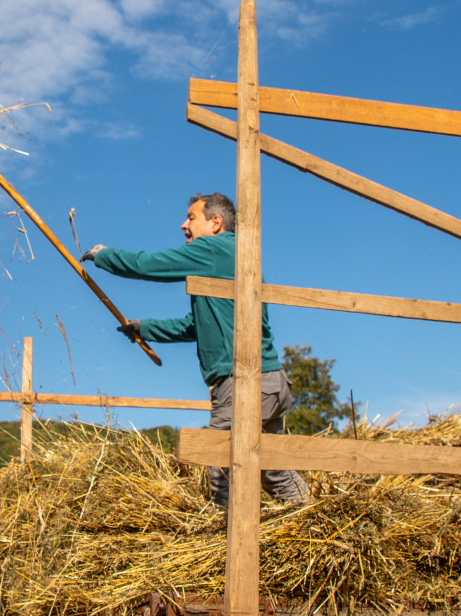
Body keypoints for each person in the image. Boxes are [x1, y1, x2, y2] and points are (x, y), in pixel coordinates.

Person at [82, 193, 309, 509]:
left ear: (215, 223)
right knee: (273, 471)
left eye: (191, 217)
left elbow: (151, 264)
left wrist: (104, 255)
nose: (182, 224)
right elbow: (194, 326)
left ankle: (227, 549)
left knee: (222, 470)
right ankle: (315, 520)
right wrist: (144, 329)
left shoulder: (216, 249)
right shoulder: (234, 260)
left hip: (243, 383)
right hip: (270, 384)